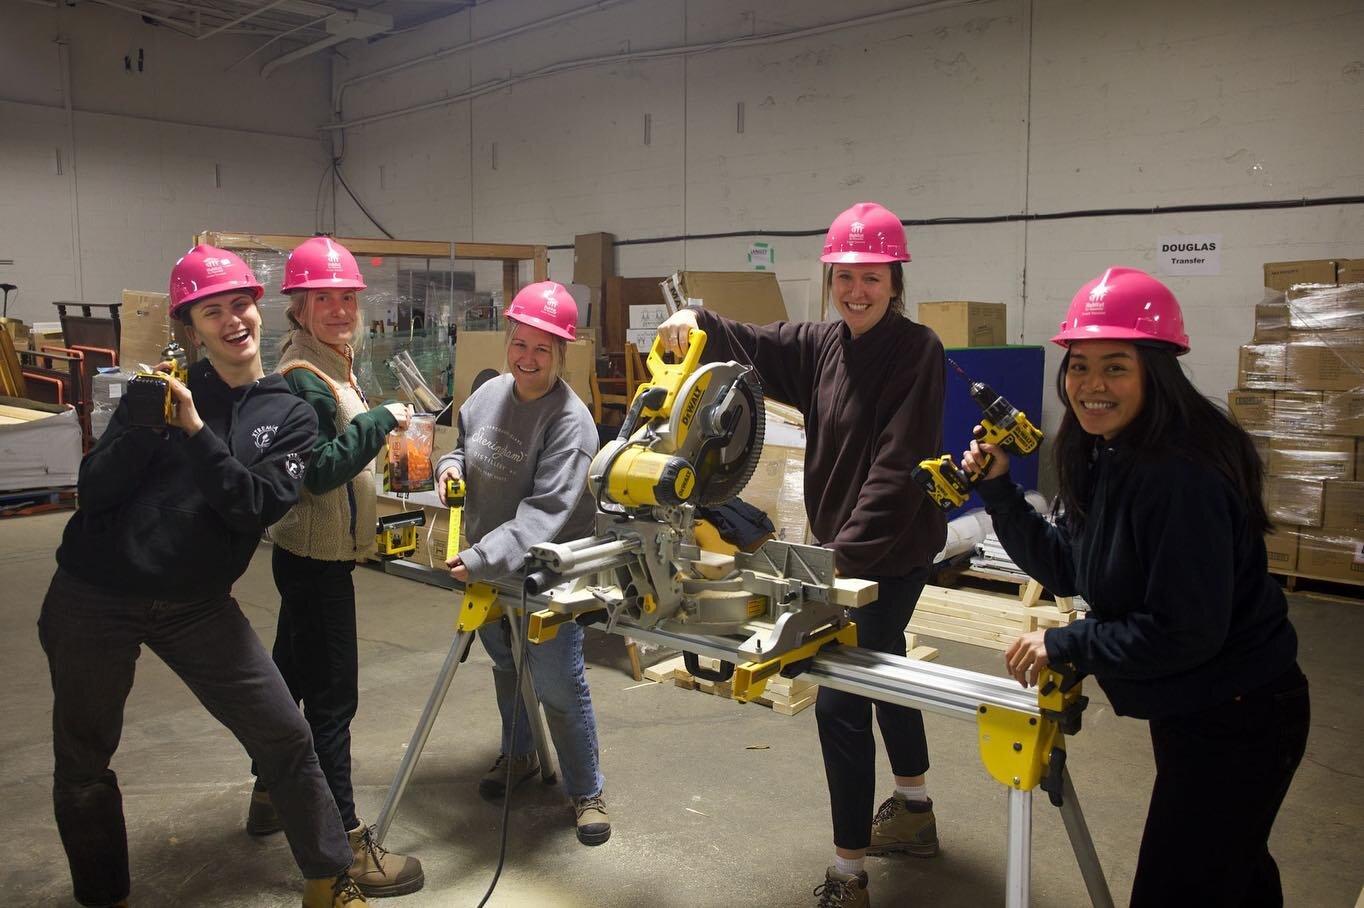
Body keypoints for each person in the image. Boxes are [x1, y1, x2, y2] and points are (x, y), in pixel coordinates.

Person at [962, 267, 1310, 908]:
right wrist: (998, 489)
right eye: (1079, 365)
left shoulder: (1182, 477)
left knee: (1182, 886)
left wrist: (1069, 644)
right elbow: (1070, 568)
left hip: (1242, 713)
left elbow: (1185, 628)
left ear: (1156, 370)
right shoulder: (1108, 451)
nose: (1092, 385)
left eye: (1115, 366)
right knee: (1232, 872)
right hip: (1197, 705)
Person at [38, 245, 369, 908]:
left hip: (197, 606)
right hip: (93, 596)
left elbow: (255, 504)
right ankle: (103, 895)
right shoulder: (157, 396)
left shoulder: (288, 412)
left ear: (259, 311)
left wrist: (192, 430)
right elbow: (94, 493)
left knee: (284, 734)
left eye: (239, 304)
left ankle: (330, 880)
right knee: (83, 758)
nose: (231, 320)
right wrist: (137, 425)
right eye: (211, 311)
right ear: (192, 328)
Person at [654, 202, 948, 907]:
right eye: (844, 277)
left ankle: (849, 874)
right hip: (845, 549)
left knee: (841, 698)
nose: (856, 291)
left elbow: (898, 468)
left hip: (891, 549)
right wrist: (697, 322)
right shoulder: (823, 344)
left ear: (895, 280)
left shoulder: (917, 352)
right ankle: (914, 811)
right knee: (886, 668)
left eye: (870, 278)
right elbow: (752, 343)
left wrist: (834, 565)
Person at [245, 236, 424, 897]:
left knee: (288, 678)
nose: (340, 309)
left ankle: (269, 795)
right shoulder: (303, 379)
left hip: (308, 557)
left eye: (347, 298)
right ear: (298, 306)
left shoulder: (329, 363)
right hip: (317, 560)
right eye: (325, 299)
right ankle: (346, 845)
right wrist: (377, 422)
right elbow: (316, 474)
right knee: (332, 702)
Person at [434, 281, 610, 846]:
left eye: (542, 349)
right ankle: (520, 755)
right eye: (519, 344)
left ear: (562, 353)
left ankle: (586, 790)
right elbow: (461, 447)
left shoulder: (570, 423)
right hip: (488, 565)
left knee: (558, 681)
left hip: (545, 571)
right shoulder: (488, 396)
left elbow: (545, 513)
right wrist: (449, 469)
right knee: (507, 666)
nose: (527, 359)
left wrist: (482, 556)